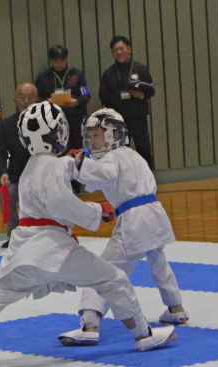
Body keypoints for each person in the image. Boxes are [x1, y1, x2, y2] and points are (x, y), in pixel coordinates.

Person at [0, 101, 176, 367]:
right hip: (54, 249)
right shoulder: (54, 165)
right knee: (113, 279)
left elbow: (67, 168)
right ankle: (144, 336)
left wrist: (78, 162)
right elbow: (60, 201)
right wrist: (97, 211)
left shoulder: (29, 169)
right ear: (59, 132)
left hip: (22, 251)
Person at [57, 109, 187, 347]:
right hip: (155, 215)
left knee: (103, 271)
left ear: (114, 134)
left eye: (97, 135)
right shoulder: (134, 155)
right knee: (159, 263)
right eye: (90, 136)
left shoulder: (111, 159)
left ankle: (90, 324)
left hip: (134, 220)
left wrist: (78, 164)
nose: (92, 141)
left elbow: (100, 175)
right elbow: (98, 179)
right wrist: (83, 166)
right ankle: (176, 308)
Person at [34, 45, 90, 193]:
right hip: (53, 121)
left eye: (62, 61)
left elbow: (86, 95)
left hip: (74, 119)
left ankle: (76, 186)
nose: (59, 64)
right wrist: (48, 101)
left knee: (75, 150)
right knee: (57, 151)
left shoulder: (77, 74)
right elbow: (37, 98)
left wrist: (76, 101)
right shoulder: (43, 76)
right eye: (55, 61)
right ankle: (59, 185)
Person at [99, 36, 156, 169]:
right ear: (112, 53)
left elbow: (151, 90)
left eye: (121, 48)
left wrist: (141, 94)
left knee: (144, 149)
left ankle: (148, 177)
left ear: (128, 49)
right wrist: (118, 97)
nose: (119, 52)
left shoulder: (141, 69)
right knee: (121, 152)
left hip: (138, 117)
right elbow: (103, 96)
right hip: (118, 120)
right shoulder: (108, 74)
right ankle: (123, 179)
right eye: (115, 50)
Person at [0, 82, 37, 248]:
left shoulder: (46, 123)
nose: (26, 101)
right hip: (16, 178)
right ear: (15, 100)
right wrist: (3, 173)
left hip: (39, 177)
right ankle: (13, 235)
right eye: (22, 97)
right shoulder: (7, 124)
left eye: (30, 97)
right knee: (6, 191)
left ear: (37, 100)